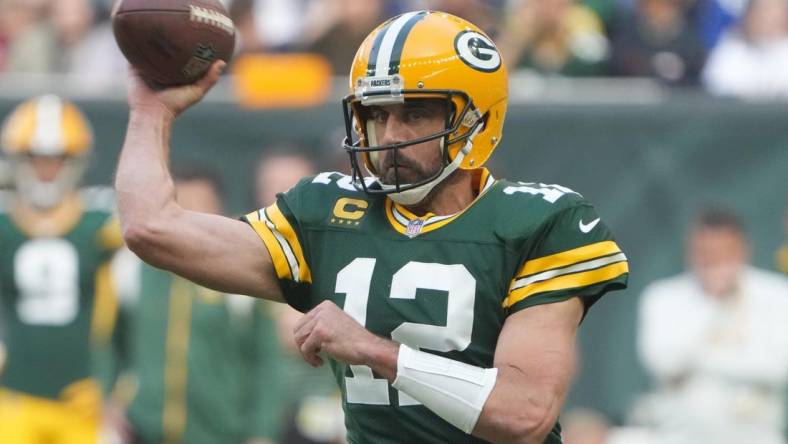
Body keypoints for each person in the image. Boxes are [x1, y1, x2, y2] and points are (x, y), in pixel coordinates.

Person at [115, 10, 629, 443]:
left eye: (414, 115)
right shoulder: (328, 212)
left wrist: (371, 349)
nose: (389, 136)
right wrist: (150, 111)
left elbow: (525, 414)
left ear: (477, 120)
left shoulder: (540, 222)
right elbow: (151, 228)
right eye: (376, 115)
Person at [116, 164, 283, 444]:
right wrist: (111, 398)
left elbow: (267, 360)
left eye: (200, 209)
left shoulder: (242, 273)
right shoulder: (132, 268)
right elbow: (110, 341)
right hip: (145, 431)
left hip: (222, 433)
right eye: (181, 208)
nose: (189, 221)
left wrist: (262, 431)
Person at [0, 95, 122, 443]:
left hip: (82, 395)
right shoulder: (5, 224)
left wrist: (111, 381)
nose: (45, 170)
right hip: (13, 392)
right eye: (36, 159)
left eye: (56, 160)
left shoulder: (101, 224)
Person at [638, 207, 788, 444]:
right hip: (680, 437)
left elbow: (777, 367)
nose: (713, 263)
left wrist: (701, 366)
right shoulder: (662, 297)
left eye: (723, 253)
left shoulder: (777, 294)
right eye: (704, 253)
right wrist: (713, 304)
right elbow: (664, 363)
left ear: (743, 249)